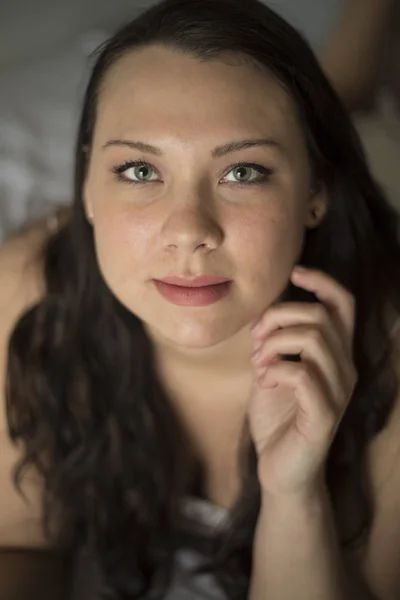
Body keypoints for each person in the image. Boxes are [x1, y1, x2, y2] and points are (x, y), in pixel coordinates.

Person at [1, 0, 400, 599]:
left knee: (348, 106)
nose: (188, 230)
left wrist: (294, 494)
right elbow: (20, 545)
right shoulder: (31, 290)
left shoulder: (389, 352)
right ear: (85, 185)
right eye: (139, 170)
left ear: (315, 192)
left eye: (243, 173)